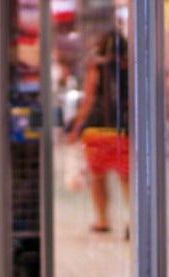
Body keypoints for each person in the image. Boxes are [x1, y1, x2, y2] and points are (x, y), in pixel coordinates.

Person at [67, 30, 129, 234]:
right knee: (126, 177)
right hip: (124, 130)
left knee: (98, 177)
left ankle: (103, 220)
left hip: (97, 130)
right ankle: (133, 221)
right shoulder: (130, 66)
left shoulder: (96, 68)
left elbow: (89, 99)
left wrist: (76, 127)